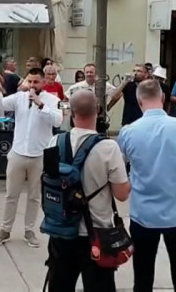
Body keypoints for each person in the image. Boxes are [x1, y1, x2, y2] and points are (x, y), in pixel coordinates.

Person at [117, 79, 176, 292]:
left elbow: (119, 170)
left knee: (142, 277)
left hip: (143, 214)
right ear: (163, 98)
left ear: (139, 101)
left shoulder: (128, 132)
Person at [44, 90, 130, 291]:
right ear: (98, 111)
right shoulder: (108, 147)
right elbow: (122, 194)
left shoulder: (54, 142)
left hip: (61, 230)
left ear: (71, 112)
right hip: (96, 235)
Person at [0, 68, 62, 248]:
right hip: (18, 153)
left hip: (39, 154)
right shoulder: (19, 97)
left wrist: (40, 105)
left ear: (43, 82)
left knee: (34, 196)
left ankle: (30, 230)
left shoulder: (53, 100)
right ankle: (5, 229)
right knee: (11, 195)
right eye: (29, 81)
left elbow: (58, 121)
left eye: (36, 82)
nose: (32, 85)